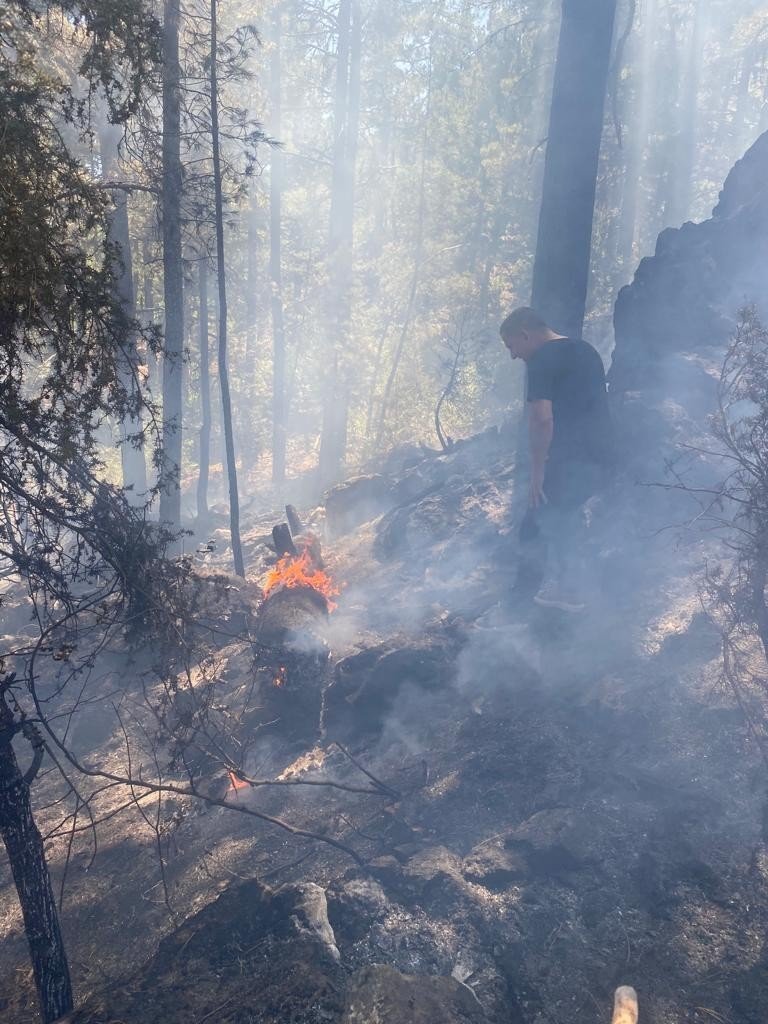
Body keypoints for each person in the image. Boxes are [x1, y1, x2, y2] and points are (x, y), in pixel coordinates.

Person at [500, 306, 614, 612]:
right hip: (602, 454)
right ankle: (568, 590)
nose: (513, 355)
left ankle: (519, 608)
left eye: (512, 346)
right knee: (565, 517)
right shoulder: (587, 351)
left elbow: (541, 420)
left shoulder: (541, 360)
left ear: (525, 334)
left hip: (570, 457)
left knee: (536, 524)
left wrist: (538, 472)